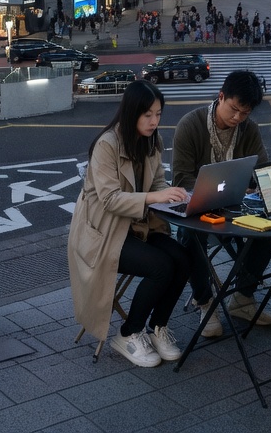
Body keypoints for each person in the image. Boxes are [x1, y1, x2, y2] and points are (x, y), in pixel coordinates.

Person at [68, 81, 191, 368]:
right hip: (104, 235)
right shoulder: (107, 145)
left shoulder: (153, 141)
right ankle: (128, 333)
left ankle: (157, 327)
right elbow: (110, 199)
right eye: (147, 114)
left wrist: (176, 197)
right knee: (160, 266)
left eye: (158, 114)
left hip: (140, 227)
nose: (154, 121)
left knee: (184, 260)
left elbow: (158, 182)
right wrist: (155, 196)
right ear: (132, 111)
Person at [172, 70, 271, 336]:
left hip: (236, 204)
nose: (237, 118)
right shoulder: (190, 124)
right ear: (221, 97)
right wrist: (209, 192)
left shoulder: (248, 129)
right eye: (234, 109)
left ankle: (242, 298)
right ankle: (205, 302)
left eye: (245, 113)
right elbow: (182, 178)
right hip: (199, 207)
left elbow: (261, 168)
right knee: (189, 233)